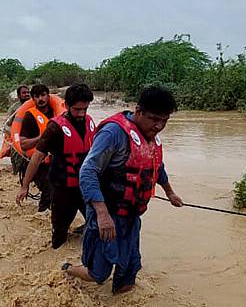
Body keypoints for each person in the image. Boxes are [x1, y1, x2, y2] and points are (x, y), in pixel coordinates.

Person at [64, 86, 184, 294]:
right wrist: (101, 214)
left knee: (129, 274)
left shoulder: (151, 136)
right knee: (98, 274)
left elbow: (156, 165)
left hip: (131, 216)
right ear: (138, 111)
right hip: (106, 214)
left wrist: (170, 192)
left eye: (164, 121)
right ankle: (67, 270)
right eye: (154, 119)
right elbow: (88, 171)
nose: (159, 126)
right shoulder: (113, 133)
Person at [16, 84, 96, 249]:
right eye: (77, 109)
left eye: (84, 109)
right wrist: (24, 186)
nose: (81, 114)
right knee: (59, 236)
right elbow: (37, 158)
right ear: (66, 105)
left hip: (85, 186)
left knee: (97, 222)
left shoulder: (89, 122)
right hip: (62, 188)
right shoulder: (54, 127)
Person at [17, 84, 57, 211]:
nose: (41, 99)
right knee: (49, 189)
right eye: (37, 96)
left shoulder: (57, 113)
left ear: (48, 96)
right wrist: (41, 138)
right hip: (34, 162)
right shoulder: (29, 117)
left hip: (53, 161)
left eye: (43, 95)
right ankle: (41, 216)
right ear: (33, 99)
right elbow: (23, 144)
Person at [2, 85, 31, 174]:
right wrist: (15, 135)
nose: (26, 95)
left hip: (31, 138)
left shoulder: (35, 105)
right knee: (17, 168)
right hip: (17, 139)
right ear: (18, 96)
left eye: (27, 92)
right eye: (24, 93)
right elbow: (6, 125)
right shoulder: (14, 108)